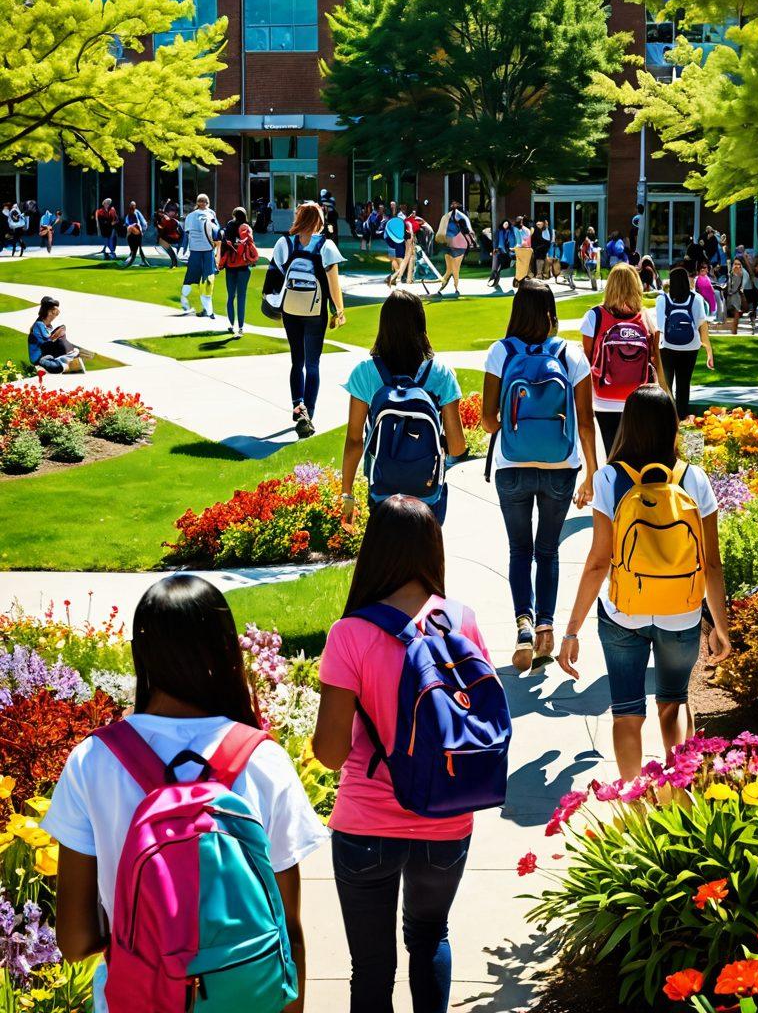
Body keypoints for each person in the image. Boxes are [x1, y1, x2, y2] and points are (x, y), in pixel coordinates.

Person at [43, 574, 326, 1013]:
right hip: (244, 997)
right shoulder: (263, 760)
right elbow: (286, 928)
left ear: (143, 655)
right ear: (226, 651)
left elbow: (76, 940)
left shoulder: (93, 761)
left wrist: (151, 945)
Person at [313, 497, 495, 1013]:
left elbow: (330, 753)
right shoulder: (462, 621)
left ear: (374, 553)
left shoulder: (350, 634)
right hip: (446, 818)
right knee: (430, 938)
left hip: (365, 824)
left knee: (370, 967)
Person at [557, 386, 732, 780]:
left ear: (627, 425)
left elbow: (598, 562)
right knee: (673, 704)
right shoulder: (695, 479)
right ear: (672, 425)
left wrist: (571, 631)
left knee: (626, 714)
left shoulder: (608, 479)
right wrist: (720, 626)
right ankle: (679, 795)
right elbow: (713, 565)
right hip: (682, 612)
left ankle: (633, 800)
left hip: (623, 613)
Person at [482, 279, 597, 670]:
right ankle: (547, 627)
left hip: (512, 468)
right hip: (561, 468)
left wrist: (516, 425)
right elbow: (586, 424)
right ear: (551, 312)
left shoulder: (501, 352)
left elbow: (486, 420)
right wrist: (592, 474)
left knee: (519, 550)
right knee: (548, 550)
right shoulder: (570, 356)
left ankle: (524, 627)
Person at [341, 290, 467, 526]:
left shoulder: (365, 372)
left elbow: (354, 440)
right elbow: (458, 446)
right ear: (421, 325)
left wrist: (347, 496)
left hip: (383, 492)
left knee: (388, 561)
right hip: (428, 493)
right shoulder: (440, 374)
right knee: (427, 562)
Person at [264, 201, 346, 438]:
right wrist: (339, 312)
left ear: (299, 218)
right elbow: (333, 285)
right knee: (313, 364)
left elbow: (273, 278)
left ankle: (297, 405)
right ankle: (307, 413)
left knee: (296, 361)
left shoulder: (284, 243)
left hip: (291, 311)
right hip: (315, 313)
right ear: (319, 220)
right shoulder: (326, 246)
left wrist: (274, 305)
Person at [580, 263, 666, 457]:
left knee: (613, 455)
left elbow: (585, 361)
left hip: (604, 398)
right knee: (638, 456)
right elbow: (655, 360)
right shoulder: (645, 317)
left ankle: (616, 486)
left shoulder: (594, 316)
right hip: (640, 398)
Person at [656, 265, 714, 419]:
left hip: (667, 346)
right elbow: (702, 325)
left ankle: (668, 417)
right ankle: (682, 416)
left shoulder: (662, 299)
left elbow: (660, 326)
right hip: (691, 347)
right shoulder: (696, 299)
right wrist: (709, 351)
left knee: (667, 383)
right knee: (684, 383)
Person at [219, 206, 259, 336]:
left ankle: (231, 325)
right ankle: (241, 327)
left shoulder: (229, 227)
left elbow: (224, 246)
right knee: (242, 297)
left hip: (231, 266)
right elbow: (251, 245)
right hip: (244, 266)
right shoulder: (247, 228)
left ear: (234, 215)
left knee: (231, 297)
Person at [181, 194, 220, 317]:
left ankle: (204, 309)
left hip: (199, 251)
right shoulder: (209, 214)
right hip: (204, 251)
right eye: (202, 201)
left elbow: (186, 235)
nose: (203, 203)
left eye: (203, 201)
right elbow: (217, 232)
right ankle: (208, 310)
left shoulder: (192, 216)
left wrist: (183, 250)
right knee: (206, 280)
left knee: (199, 279)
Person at [28, 296, 84, 374]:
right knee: (58, 362)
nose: (53, 316)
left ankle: (70, 357)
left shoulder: (48, 326)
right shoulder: (39, 325)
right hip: (38, 356)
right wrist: (57, 335)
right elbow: (47, 341)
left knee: (67, 345)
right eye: (53, 313)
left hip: (46, 351)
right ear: (47, 312)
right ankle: (64, 361)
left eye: (55, 314)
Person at [436, 203, 473, 296]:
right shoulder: (458, 220)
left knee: (451, 270)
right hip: (457, 247)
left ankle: (444, 288)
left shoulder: (449, 219)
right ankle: (454, 288)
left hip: (452, 246)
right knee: (454, 269)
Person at [724, 256, 749, 335]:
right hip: (730, 295)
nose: (737, 265)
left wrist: (742, 289)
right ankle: (732, 331)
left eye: (739, 264)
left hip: (737, 295)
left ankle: (734, 331)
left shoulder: (743, 273)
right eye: (735, 264)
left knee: (736, 313)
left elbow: (744, 284)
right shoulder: (731, 272)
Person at [122, 201, 149, 267]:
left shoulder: (136, 212)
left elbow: (140, 222)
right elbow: (127, 222)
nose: (132, 207)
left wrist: (142, 230)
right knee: (137, 247)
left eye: (133, 205)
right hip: (134, 232)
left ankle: (143, 262)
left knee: (138, 247)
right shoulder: (130, 214)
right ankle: (143, 261)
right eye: (131, 205)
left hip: (137, 231)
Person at [488, 219, 513, 288]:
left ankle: (494, 280)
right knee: (499, 267)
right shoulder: (499, 231)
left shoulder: (510, 231)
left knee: (502, 267)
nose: (506, 225)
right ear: (502, 224)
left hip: (507, 252)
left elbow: (511, 241)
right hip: (500, 251)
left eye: (507, 224)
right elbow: (496, 241)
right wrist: (495, 249)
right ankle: (495, 281)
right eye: (505, 224)